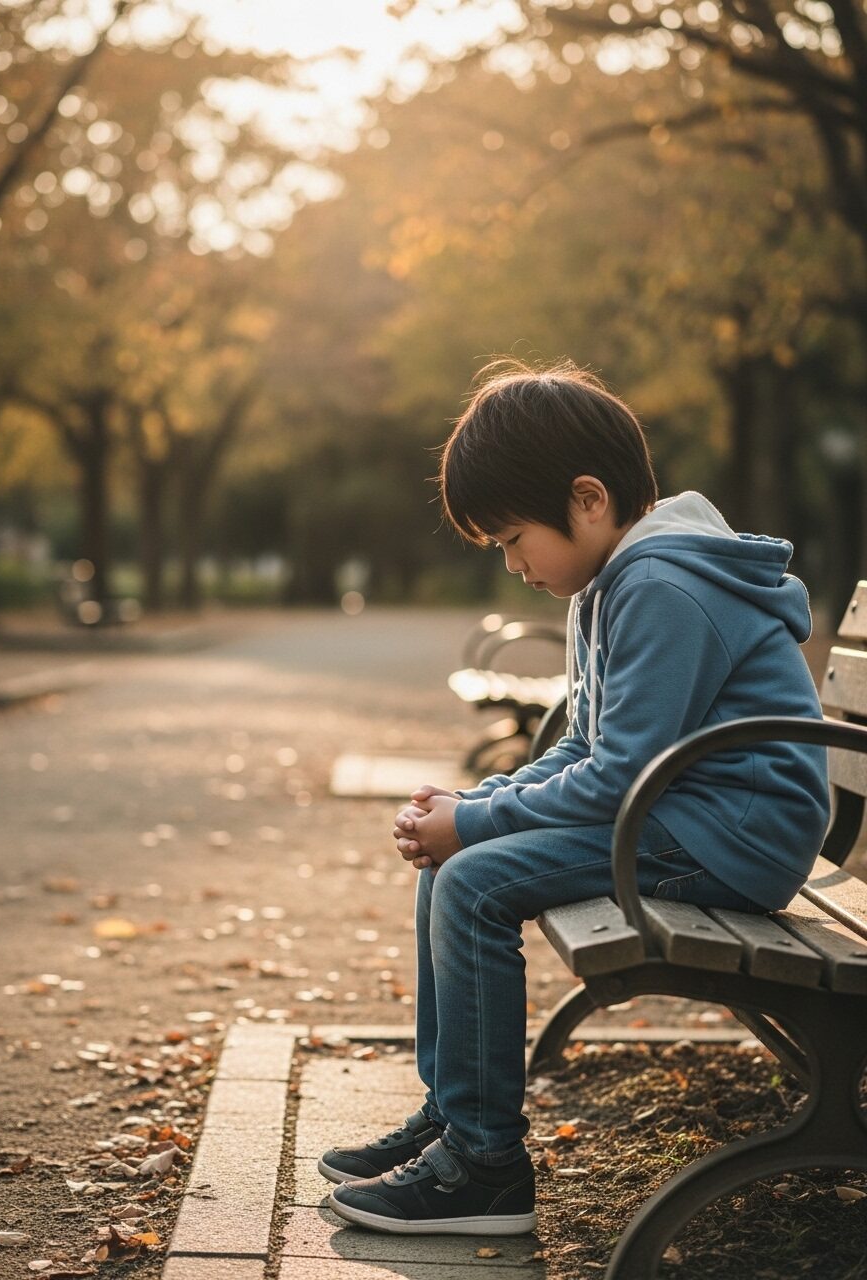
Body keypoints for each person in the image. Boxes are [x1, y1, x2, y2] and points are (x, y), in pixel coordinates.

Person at [320, 358, 830, 1236]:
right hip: (683, 814)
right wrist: (474, 803)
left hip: (730, 833)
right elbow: (589, 750)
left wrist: (473, 821)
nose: (514, 565)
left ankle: (485, 1168)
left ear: (588, 500)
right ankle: (456, 1115)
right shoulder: (612, 581)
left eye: (515, 538)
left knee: (473, 879)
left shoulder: (663, 587)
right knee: (456, 868)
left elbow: (617, 772)